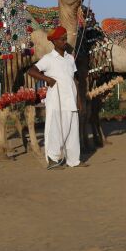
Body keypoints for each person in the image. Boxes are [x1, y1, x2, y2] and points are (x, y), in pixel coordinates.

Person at [27, 26, 87, 169]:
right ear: (54, 41)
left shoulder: (70, 58)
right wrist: (47, 79)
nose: (65, 41)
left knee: (72, 131)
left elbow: (74, 80)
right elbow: (32, 71)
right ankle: (53, 159)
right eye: (62, 39)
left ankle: (74, 160)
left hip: (71, 99)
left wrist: (79, 100)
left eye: (65, 38)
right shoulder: (48, 59)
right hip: (57, 101)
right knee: (56, 130)